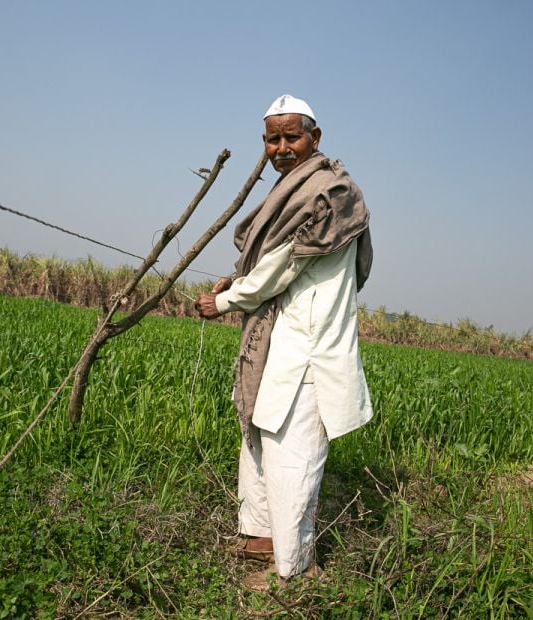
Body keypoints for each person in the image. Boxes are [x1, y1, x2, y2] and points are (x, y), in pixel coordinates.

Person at [195, 94, 373, 590]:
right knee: (258, 435)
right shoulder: (291, 191)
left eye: (292, 136)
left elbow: (285, 264)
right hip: (277, 339)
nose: (282, 147)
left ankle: (292, 571)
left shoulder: (333, 193)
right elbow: (266, 267)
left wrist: (229, 301)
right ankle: (258, 540)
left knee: (293, 453)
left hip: (310, 346)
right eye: (273, 138)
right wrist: (236, 284)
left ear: (315, 138)